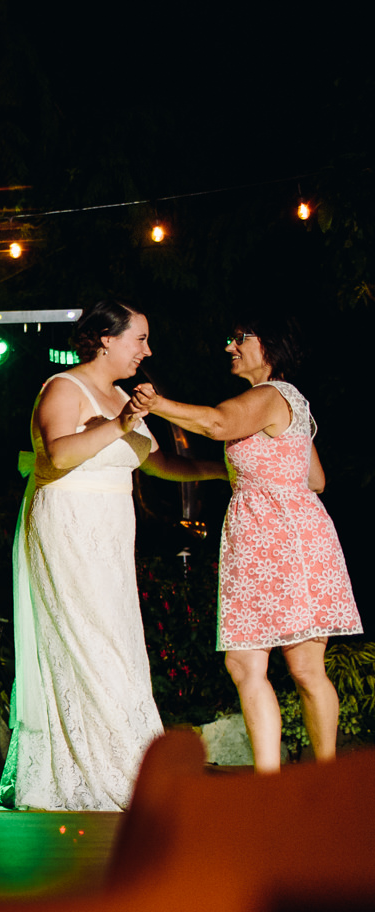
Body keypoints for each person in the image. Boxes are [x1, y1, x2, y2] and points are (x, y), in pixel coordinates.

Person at [0, 301, 225, 811]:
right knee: (89, 644)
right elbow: (57, 454)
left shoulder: (124, 396)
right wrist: (121, 423)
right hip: (68, 528)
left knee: (119, 645)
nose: (147, 349)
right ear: (105, 338)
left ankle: (127, 763)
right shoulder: (64, 387)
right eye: (139, 338)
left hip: (112, 537)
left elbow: (158, 463)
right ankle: (93, 771)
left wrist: (219, 470)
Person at [134, 315, 361, 772]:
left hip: (286, 539)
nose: (230, 347)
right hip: (259, 538)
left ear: (270, 347)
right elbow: (314, 478)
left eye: (240, 339)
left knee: (305, 669)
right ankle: (269, 786)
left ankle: (325, 781)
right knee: (243, 664)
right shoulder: (288, 401)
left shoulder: (273, 394)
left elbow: (218, 424)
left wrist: (156, 403)